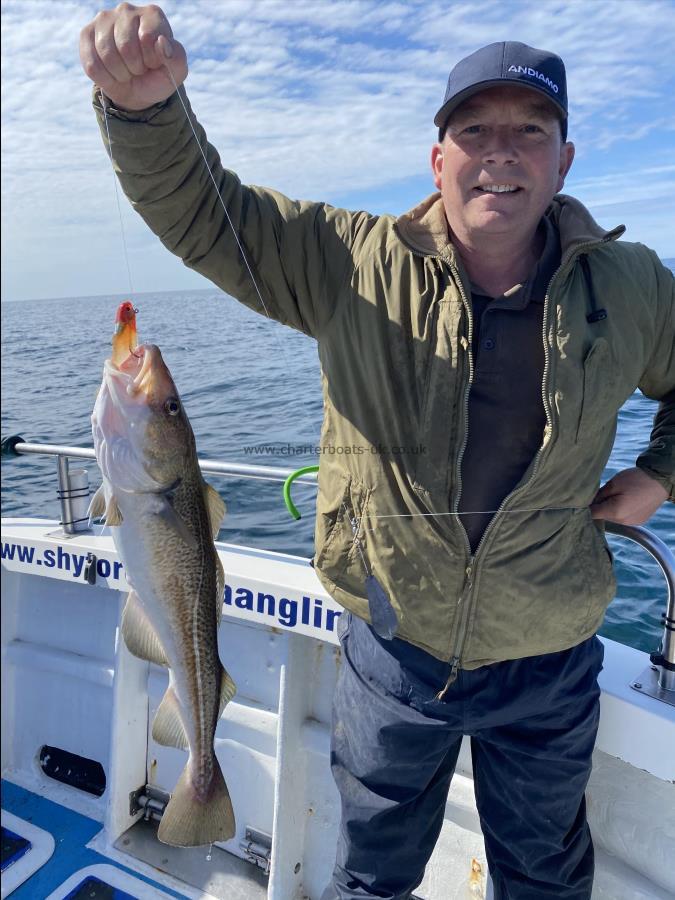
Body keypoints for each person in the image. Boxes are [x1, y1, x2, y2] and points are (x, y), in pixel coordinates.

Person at [80, 6, 674, 899]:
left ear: (564, 160)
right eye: (474, 129)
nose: (501, 151)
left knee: (545, 876)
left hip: (550, 657)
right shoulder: (348, 261)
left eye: (530, 130)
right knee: (371, 872)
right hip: (392, 652)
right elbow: (210, 215)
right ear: (437, 161)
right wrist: (145, 114)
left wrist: (659, 474)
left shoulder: (633, 288)